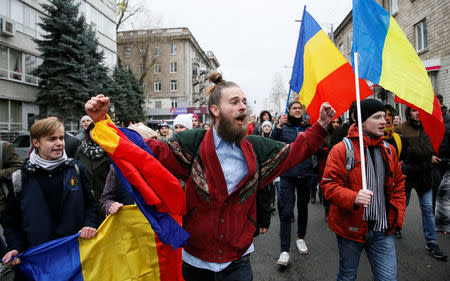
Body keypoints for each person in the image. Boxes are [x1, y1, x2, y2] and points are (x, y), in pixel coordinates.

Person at [85, 71, 335, 281]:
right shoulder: (192, 143)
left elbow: (295, 151)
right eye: (234, 101)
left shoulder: (258, 149)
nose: (243, 106)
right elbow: (149, 153)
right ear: (215, 109)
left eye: (244, 101)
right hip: (195, 261)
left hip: (238, 261)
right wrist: (104, 124)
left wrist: (321, 125)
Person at [1, 118, 98, 281]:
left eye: (61, 138)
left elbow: (91, 204)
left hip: (73, 260)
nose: (59, 143)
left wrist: (89, 224)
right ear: (36, 142)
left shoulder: (76, 169)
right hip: (36, 264)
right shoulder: (20, 177)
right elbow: (11, 221)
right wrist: (15, 247)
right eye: (52, 139)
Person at [321, 98, 406, 281]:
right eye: (377, 117)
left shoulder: (389, 150)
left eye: (384, 116)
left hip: (383, 229)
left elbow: (398, 186)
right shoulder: (342, 149)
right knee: (347, 275)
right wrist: (353, 197)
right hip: (350, 228)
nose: (384, 121)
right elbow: (328, 186)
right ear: (360, 120)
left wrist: (397, 216)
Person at [395, 107, 447, 260]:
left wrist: (429, 156)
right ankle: (396, 226)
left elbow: (435, 149)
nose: (417, 113)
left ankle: (431, 241)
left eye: (419, 110)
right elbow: (403, 153)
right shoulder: (401, 129)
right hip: (408, 175)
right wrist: (425, 157)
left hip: (424, 176)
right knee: (403, 204)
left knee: (427, 209)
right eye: (413, 110)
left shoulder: (428, 128)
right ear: (408, 112)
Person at [271, 101, 316, 266]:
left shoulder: (308, 127)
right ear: (288, 111)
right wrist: (278, 126)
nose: (298, 111)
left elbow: (316, 145)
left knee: (303, 208)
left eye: (300, 108)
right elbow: (273, 143)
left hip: (306, 174)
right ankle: (284, 250)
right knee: (286, 211)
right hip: (288, 174)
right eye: (295, 108)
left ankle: (300, 238)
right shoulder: (284, 127)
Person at [75, 122, 111, 223]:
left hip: (105, 203)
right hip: (86, 202)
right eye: (93, 130)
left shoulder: (111, 151)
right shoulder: (80, 150)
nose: (96, 133)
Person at [0, 140, 21, 277]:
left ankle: (10, 262)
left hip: (3, 201)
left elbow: (17, 167)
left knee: (11, 233)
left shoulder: (3, 147)